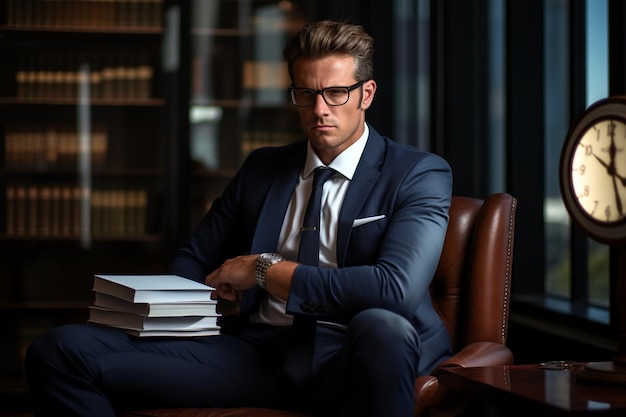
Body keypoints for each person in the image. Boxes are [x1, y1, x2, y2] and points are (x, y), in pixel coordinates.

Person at [25, 20, 453, 417]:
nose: (320, 109)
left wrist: (265, 270)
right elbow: (192, 259)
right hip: (258, 358)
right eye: (305, 94)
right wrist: (208, 301)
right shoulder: (263, 169)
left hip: (353, 357)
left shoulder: (417, 173)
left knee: (384, 326)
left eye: (336, 93)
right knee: (58, 350)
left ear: (366, 94)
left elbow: (394, 289)